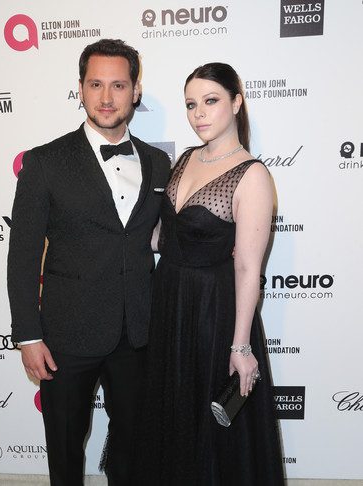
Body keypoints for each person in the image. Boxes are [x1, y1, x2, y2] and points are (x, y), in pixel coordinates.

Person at [7, 39, 171, 486]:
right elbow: (22, 256)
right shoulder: (44, 162)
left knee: (134, 447)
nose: (106, 97)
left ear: (135, 91)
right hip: (66, 337)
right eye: (96, 84)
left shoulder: (159, 163)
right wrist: (28, 336)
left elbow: (161, 237)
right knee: (64, 449)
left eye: (118, 85)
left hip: (137, 334)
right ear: (80, 89)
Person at [133, 63, 285, 485]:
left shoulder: (252, 175)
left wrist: (241, 345)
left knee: (212, 428)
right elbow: (163, 237)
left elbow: (248, 267)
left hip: (213, 312)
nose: (198, 113)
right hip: (169, 302)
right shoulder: (184, 159)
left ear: (236, 103)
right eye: (190, 104)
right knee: (170, 413)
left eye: (211, 101)